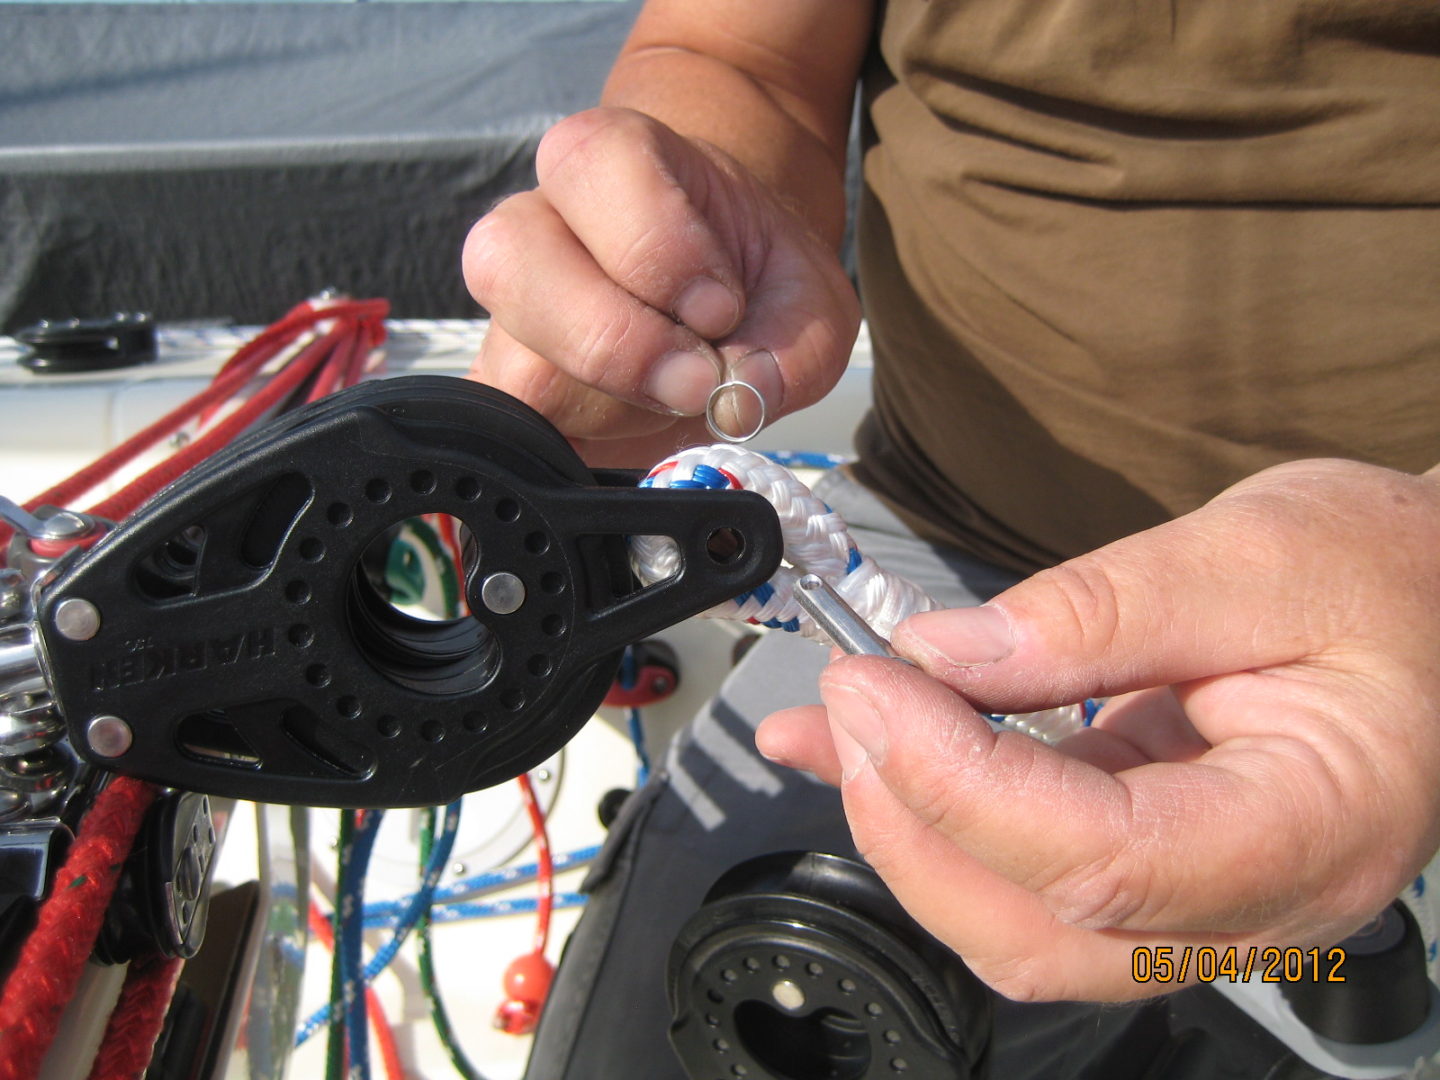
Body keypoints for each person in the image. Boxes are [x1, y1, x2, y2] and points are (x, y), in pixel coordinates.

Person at [462, 1, 1440, 1074]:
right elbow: (735, 49)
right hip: (936, 532)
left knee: (1309, 984)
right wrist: (688, 242)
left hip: (1406, 610)